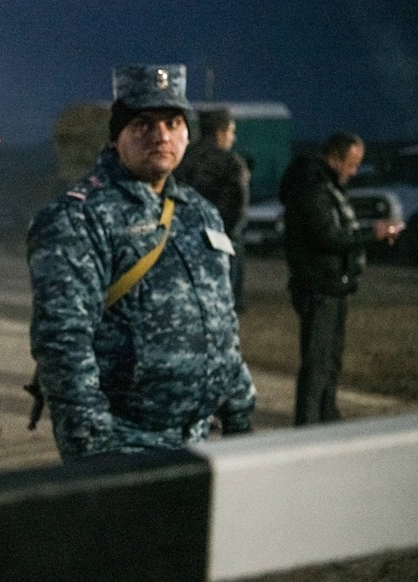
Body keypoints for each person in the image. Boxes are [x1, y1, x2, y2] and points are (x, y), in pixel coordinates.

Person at [26, 64, 256, 460]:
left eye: (172, 122)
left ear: (187, 133)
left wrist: (239, 409)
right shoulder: (78, 217)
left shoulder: (200, 212)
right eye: (143, 124)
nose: (161, 135)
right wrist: (91, 446)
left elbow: (221, 319)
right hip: (123, 443)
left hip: (201, 438)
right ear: (117, 137)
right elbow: (63, 342)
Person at [279, 132, 401, 425]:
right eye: (352, 162)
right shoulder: (312, 187)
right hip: (319, 286)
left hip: (332, 285)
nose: (355, 170)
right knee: (318, 362)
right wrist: (373, 235)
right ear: (334, 157)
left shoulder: (325, 186)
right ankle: (309, 425)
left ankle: (326, 417)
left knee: (330, 361)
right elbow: (328, 236)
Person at [176, 108, 250, 310]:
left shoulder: (183, 159)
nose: (233, 139)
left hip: (185, 243)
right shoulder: (232, 163)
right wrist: (227, 238)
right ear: (220, 133)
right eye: (231, 132)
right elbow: (239, 207)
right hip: (222, 244)